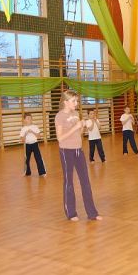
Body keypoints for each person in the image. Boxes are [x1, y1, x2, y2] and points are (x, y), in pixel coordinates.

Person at [55, 90, 102, 221]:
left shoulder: (76, 114)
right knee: (69, 181)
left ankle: (92, 213)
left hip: (78, 150)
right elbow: (60, 138)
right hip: (66, 151)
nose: (76, 103)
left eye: (77, 101)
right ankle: (71, 213)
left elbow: (78, 133)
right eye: (74, 101)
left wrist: (83, 126)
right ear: (66, 102)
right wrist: (75, 127)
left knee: (85, 181)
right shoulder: (59, 116)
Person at [20, 112, 46, 177]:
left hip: (35, 144)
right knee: (26, 159)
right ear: (24, 120)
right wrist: (25, 134)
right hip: (27, 145)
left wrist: (32, 132)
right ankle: (27, 172)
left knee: (38, 158)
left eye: (30, 118)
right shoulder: (23, 129)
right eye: (28, 118)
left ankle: (42, 172)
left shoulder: (35, 127)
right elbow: (22, 140)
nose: (29, 120)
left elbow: (39, 137)